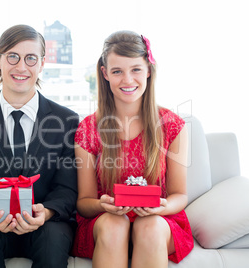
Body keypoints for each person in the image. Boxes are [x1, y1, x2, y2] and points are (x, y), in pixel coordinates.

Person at [0, 24, 79, 268]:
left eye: (31, 58)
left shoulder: (67, 121)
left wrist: (47, 213)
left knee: (53, 242)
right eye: (13, 56)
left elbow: (67, 189)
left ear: (42, 64)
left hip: (46, 225)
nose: (21, 67)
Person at [71, 30, 194, 267]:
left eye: (135, 69)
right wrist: (102, 204)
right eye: (117, 71)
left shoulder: (172, 125)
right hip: (106, 223)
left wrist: (163, 205)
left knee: (149, 227)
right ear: (105, 74)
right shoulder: (88, 128)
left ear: (148, 70)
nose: (128, 80)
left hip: (157, 222)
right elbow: (84, 203)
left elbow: (180, 195)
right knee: (114, 225)